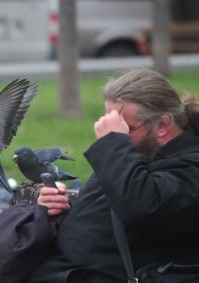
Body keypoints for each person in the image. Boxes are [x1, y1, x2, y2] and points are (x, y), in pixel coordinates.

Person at [33, 68, 199, 282]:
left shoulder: (191, 167)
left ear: (163, 125)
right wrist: (66, 201)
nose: (114, 135)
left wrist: (113, 143)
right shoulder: (142, 152)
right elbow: (116, 198)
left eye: (124, 128)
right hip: (67, 269)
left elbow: (144, 206)